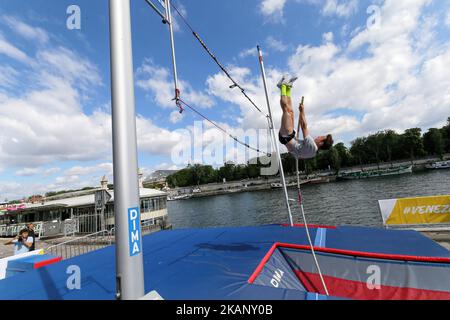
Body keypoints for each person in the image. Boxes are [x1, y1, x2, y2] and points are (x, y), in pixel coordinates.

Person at [277, 75, 334, 159]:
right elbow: (299, 155)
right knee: (291, 111)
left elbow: (304, 126)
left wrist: (302, 111)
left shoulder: (313, 146)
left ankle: (282, 86)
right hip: (291, 136)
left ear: (321, 143)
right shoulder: (313, 152)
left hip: (286, 137)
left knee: (286, 111)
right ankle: (288, 87)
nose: (318, 137)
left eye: (320, 137)